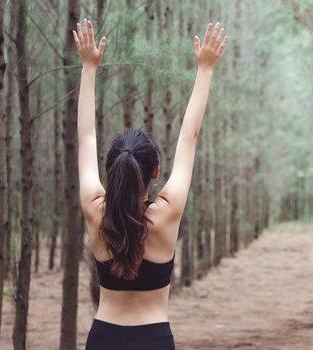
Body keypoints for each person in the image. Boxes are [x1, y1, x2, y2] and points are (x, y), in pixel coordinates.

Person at [72, 17, 228, 350]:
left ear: (110, 169)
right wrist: (204, 71)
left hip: (103, 338)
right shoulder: (166, 213)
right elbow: (189, 137)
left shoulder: (95, 210)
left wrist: (88, 68)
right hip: (154, 339)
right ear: (155, 170)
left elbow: (86, 137)